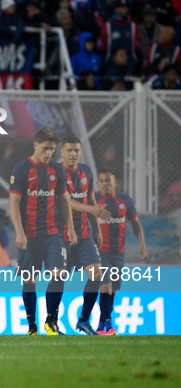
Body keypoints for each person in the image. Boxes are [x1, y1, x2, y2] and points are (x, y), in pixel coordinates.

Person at [9, 127, 77, 336]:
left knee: (59, 274)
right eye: (45, 148)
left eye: (52, 149)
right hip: (29, 235)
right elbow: (13, 203)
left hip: (53, 233)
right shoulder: (21, 169)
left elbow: (64, 200)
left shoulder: (57, 169)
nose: (49, 153)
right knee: (29, 279)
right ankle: (32, 327)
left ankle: (51, 322)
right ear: (35, 145)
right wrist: (19, 232)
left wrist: (71, 228)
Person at [59, 136, 111, 335]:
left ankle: (83, 320)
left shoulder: (86, 171)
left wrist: (96, 229)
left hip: (83, 233)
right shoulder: (55, 173)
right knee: (58, 278)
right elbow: (66, 201)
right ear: (62, 152)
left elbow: (91, 198)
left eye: (76, 151)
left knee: (97, 273)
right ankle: (52, 322)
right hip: (61, 234)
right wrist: (92, 209)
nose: (73, 154)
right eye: (69, 150)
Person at [94, 169, 148, 335]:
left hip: (119, 252)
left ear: (114, 182)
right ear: (98, 184)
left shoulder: (124, 200)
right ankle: (109, 325)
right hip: (100, 252)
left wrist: (142, 244)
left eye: (108, 180)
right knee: (105, 284)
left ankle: (101, 325)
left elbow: (136, 223)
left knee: (113, 289)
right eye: (101, 181)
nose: (104, 184)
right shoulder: (94, 199)